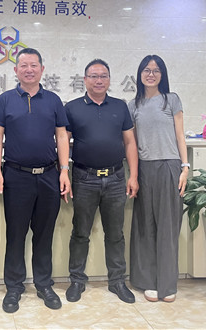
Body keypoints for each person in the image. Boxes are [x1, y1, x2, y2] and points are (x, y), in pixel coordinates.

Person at [0, 47, 72, 313]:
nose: (29, 70)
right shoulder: (5, 99)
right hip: (16, 176)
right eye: (23, 65)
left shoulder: (53, 100)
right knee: (15, 235)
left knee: (44, 234)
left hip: (49, 176)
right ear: (15, 70)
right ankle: (14, 287)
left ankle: (44, 285)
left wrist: (64, 171)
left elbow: (62, 136)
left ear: (42, 69)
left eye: (33, 65)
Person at [64, 59, 139, 304]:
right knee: (80, 233)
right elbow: (63, 141)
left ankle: (117, 281)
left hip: (116, 178)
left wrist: (133, 176)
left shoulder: (120, 106)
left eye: (103, 76)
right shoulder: (72, 108)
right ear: (85, 79)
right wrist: (63, 172)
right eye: (94, 76)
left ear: (109, 79)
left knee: (115, 233)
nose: (99, 80)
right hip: (84, 178)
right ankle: (77, 280)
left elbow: (130, 142)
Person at [127, 54, 188, 303]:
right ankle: (148, 282)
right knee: (146, 227)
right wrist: (134, 174)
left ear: (162, 75)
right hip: (145, 169)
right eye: (146, 70)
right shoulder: (133, 105)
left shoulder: (171, 100)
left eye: (156, 70)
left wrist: (185, 167)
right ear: (139, 74)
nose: (150, 74)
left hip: (169, 166)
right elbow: (131, 142)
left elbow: (180, 135)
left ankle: (167, 284)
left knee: (168, 227)